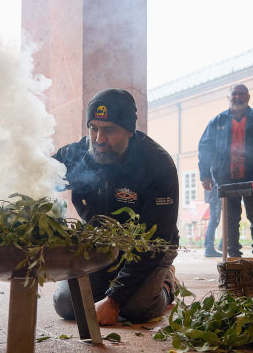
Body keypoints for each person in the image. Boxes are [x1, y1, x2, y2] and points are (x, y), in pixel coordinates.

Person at [52, 88, 179, 326]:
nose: (99, 139)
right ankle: (109, 283)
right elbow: (41, 175)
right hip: (99, 243)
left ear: (129, 131)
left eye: (109, 130)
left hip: (149, 246)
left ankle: (167, 283)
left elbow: (155, 240)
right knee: (66, 304)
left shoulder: (158, 165)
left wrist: (114, 300)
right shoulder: (75, 154)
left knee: (136, 309)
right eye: (94, 128)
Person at [198, 83, 253, 258]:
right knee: (231, 220)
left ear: (248, 97)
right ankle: (233, 256)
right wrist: (205, 174)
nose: (238, 97)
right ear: (228, 97)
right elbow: (205, 147)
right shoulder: (217, 122)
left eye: (242, 94)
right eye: (234, 94)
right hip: (226, 180)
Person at [203, 186, 222, 257]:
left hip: (214, 190)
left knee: (215, 220)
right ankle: (209, 247)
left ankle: (221, 245)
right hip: (215, 190)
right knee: (214, 220)